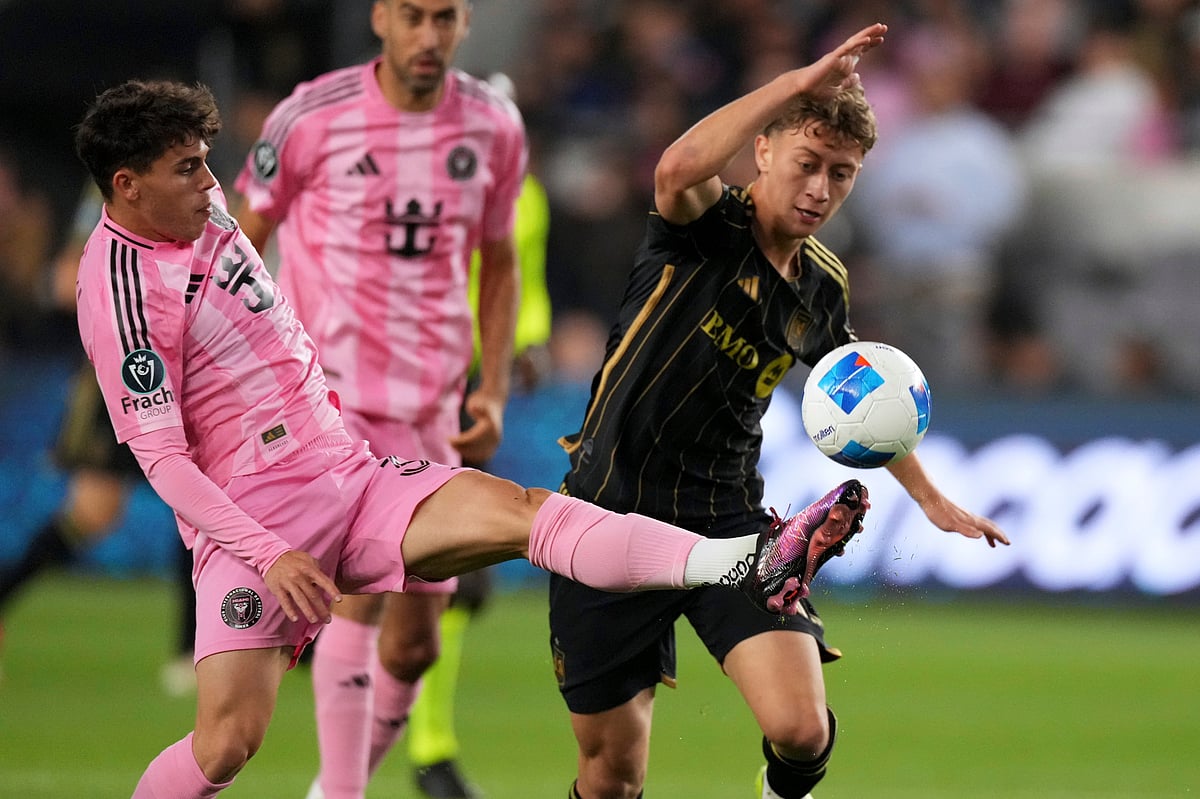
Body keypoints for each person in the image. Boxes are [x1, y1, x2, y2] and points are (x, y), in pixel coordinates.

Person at [72, 76, 867, 799]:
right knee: (226, 744)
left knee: (526, 513)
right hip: (259, 521)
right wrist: (269, 553)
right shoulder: (121, 291)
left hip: (347, 470)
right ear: (127, 186)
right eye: (188, 169)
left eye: (208, 162)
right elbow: (164, 462)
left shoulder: (204, 216)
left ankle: (743, 561)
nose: (212, 185)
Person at [547, 23, 1011, 799]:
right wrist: (798, 83)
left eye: (842, 173)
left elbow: (861, 391)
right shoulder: (703, 228)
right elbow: (675, 166)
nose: (820, 190)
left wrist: (929, 497)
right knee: (611, 777)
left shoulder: (823, 283)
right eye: (807, 163)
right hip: (608, 512)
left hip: (726, 521)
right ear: (763, 151)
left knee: (801, 729)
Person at [233, 3, 526, 797]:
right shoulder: (310, 116)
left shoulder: (493, 127)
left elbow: (498, 261)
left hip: (430, 406)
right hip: (327, 399)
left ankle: (331, 788)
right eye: (411, 16)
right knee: (360, 607)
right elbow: (234, 239)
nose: (428, 37)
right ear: (379, 17)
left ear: (464, 22)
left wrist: (490, 384)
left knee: (415, 648)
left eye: (444, 17)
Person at [0, 184, 196, 696]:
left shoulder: (196, 182)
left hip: (186, 370)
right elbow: (65, 279)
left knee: (196, 499)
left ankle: (191, 652)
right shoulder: (112, 190)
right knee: (94, 508)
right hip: (121, 371)